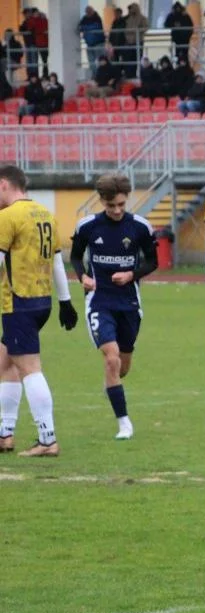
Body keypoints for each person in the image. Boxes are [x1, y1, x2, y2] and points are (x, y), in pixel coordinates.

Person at [69, 174, 158, 441]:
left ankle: (112, 382)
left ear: (126, 199)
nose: (117, 210)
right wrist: (83, 277)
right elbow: (75, 257)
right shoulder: (88, 226)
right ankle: (124, 424)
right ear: (101, 201)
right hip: (99, 301)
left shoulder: (140, 227)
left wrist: (131, 275)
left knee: (121, 367)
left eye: (121, 204)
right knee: (111, 358)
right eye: (111, 206)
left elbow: (152, 261)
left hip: (129, 303)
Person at [0, 165, 78, 457]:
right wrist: (65, 301)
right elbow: (58, 261)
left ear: (4, 184)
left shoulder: (7, 217)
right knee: (4, 363)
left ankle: (48, 439)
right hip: (41, 301)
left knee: (29, 368)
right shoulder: (45, 214)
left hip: (18, 302)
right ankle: (5, 434)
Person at [20, 8, 49, 80]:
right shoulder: (26, 21)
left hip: (35, 43)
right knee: (29, 61)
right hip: (29, 43)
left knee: (35, 60)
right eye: (25, 14)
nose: (26, 15)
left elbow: (33, 28)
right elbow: (22, 29)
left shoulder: (35, 20)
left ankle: (36, 76)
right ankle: (30, 76)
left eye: (27, 13)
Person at [79, 6, 107, 78]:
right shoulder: (84, 18)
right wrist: (86, 28)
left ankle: (102, 75)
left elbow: (96, 27)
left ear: (92, 11)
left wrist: (85, 28)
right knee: (91, 62)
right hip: (89, 44)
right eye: (86, 12)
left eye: (89, 11)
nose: (87, 13)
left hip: (99, 43)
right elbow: (79, 27)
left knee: (101, 60)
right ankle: (95, 75)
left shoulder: (96, 18)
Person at [125, 3, 150, 77]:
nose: (130, 10)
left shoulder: (142, 18)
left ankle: (136, 73)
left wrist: (138, 30)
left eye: (131, 9)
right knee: (129, 59)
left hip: (138, 41)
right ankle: (129, 74)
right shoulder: (128, 19)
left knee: (137, 58)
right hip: (129, 42)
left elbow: (146, 28)